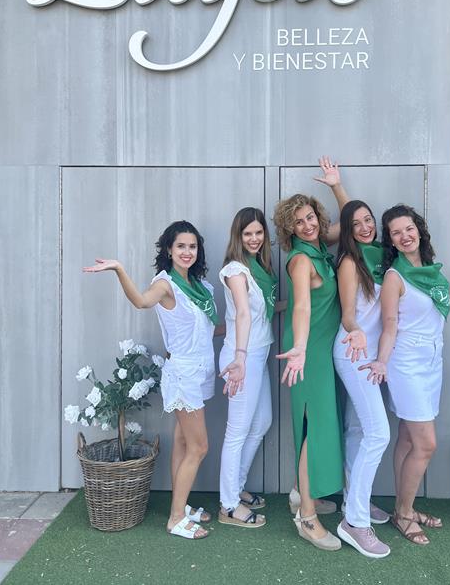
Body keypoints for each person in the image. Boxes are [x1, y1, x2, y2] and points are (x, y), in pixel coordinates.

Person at [83, 220, 219, 540]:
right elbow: (142, 302)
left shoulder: (200, 286)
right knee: (199, 447)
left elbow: (206, 329)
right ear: (169, 250)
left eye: (192, 246)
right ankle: (176, 519)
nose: (187, 252)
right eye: (180, 246)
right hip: (184, 373)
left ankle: (180, 506)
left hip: (201, 369)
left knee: (184, 442)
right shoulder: (165, 283)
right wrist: (119, 269)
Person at [361, 205, 450, 545]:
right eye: (396, 232)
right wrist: (382, 362)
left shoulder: (428, 270)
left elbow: (438, 299)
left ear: (419, 230)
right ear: (391, 240)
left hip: (432, 362)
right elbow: (389, 325)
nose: (405, 236)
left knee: (407, 438)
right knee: (426, 444)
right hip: (406, 364)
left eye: (409, 228)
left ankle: (405, 507)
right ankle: (403, 514)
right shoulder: (394, 277)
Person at [274, 158, 348, 551]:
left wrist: (336, 186)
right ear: (289, 230)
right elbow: (301, 305)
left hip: (318, 349)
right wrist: (300, 348)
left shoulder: (320, 247)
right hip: (307, 351)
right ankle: (306, 517)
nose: (307, 225)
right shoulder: (302, 259)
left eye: (310, 217)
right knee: (312, 429)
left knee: (318, 425)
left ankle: (301, 492)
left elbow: (351, 223)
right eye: (298, 222)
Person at [332, 200, 391, 558]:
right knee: (378, 434)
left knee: (358, 430)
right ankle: (354, 521)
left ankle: (355, 499)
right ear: (348, 231)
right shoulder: (350, 262)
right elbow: (348, 314)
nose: (366, 227)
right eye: (357, 224)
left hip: (370, 356)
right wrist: (356, 332)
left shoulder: (381, 257)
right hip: (353, 353)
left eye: (369, 220)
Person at [217, 207, 278, 528]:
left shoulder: (261, 269)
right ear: (238, 237)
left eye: (258, 232)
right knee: (237, 432)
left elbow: (262, 311)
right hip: (241, 358)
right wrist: (239, 358)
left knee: (261, 422)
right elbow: (242, 313)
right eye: (247, 234)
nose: (254, 239)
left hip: (257, 355)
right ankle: (228, 505)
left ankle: (236, 487)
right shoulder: (236, 270)